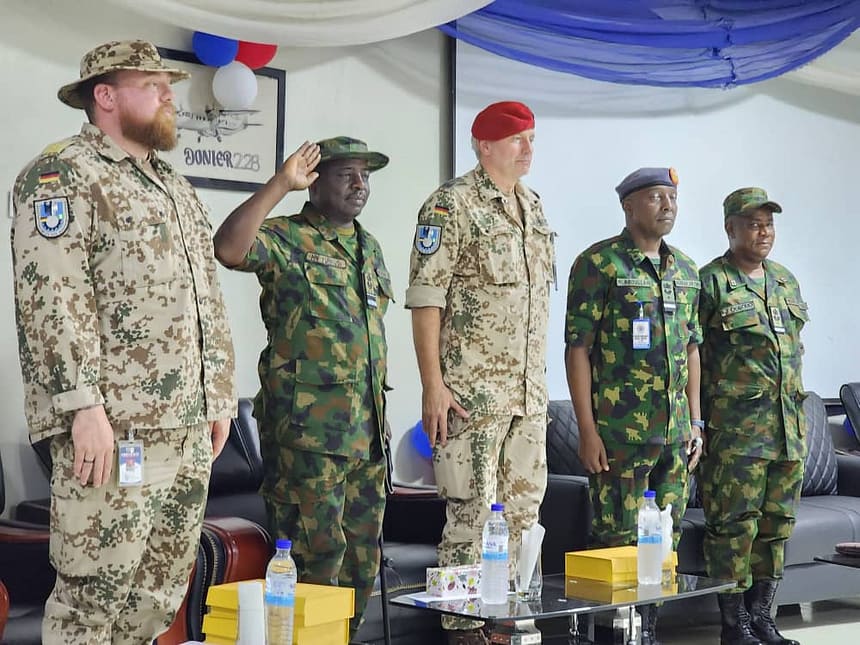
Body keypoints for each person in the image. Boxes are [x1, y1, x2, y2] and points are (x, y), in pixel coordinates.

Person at [10, 40, 236, 644]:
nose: (169, 96)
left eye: (168, 85)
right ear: (105, 96)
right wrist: (82, 407)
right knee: (92, 603)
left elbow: (203, 298)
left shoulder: (172, 183)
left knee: (155, 600)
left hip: (186, 427)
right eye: (152, 85)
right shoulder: (62, 175)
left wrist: (217, 399)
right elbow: (52, 298)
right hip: (116, 428)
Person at [213, 136, 391, 640]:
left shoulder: (369, 247)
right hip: (307, 440)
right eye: (345, 175)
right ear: (313, 184)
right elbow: (228, 249)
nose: (359, 185)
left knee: (359, 566)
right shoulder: (288, 237)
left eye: (365, 176)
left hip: (367, 439)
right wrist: (279, 184)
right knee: (314, 564)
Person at [406, 101, 555, 645]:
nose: (528, 149)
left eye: (532, 138)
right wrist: (433, 386)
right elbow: (426, 299)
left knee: (522, 517)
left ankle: (506, 625)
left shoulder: (533, 207)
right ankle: (463, 632)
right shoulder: (451, 205)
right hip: (470, 395)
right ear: (485, 145)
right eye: (517, 139)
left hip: (527, 396)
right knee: (469, 519)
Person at [564, 167, 703, 645]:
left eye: (672, 197)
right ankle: (611, 636)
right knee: (617, 541)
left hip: (676, 437)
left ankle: (648, 632)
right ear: (628, 205)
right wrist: (587, 430)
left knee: (664, 543)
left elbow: (691, 348)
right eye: (656, 197)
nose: (668, 206)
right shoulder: (599, 264)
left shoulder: (686, 270)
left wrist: (696, 421)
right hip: (619, 437)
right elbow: (577, 349)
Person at [699, 188, 807, 645]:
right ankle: (735, 626)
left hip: (787, 430)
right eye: (753, 224)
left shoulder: (784, 280)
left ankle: (762, 618)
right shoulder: (711, 282)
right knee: (734, 528)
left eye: (768, 224)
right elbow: (692, 357)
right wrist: (697, 425)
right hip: (736, 434)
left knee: (776, 526)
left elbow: (794, 352)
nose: (763, 233)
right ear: (731, 229)